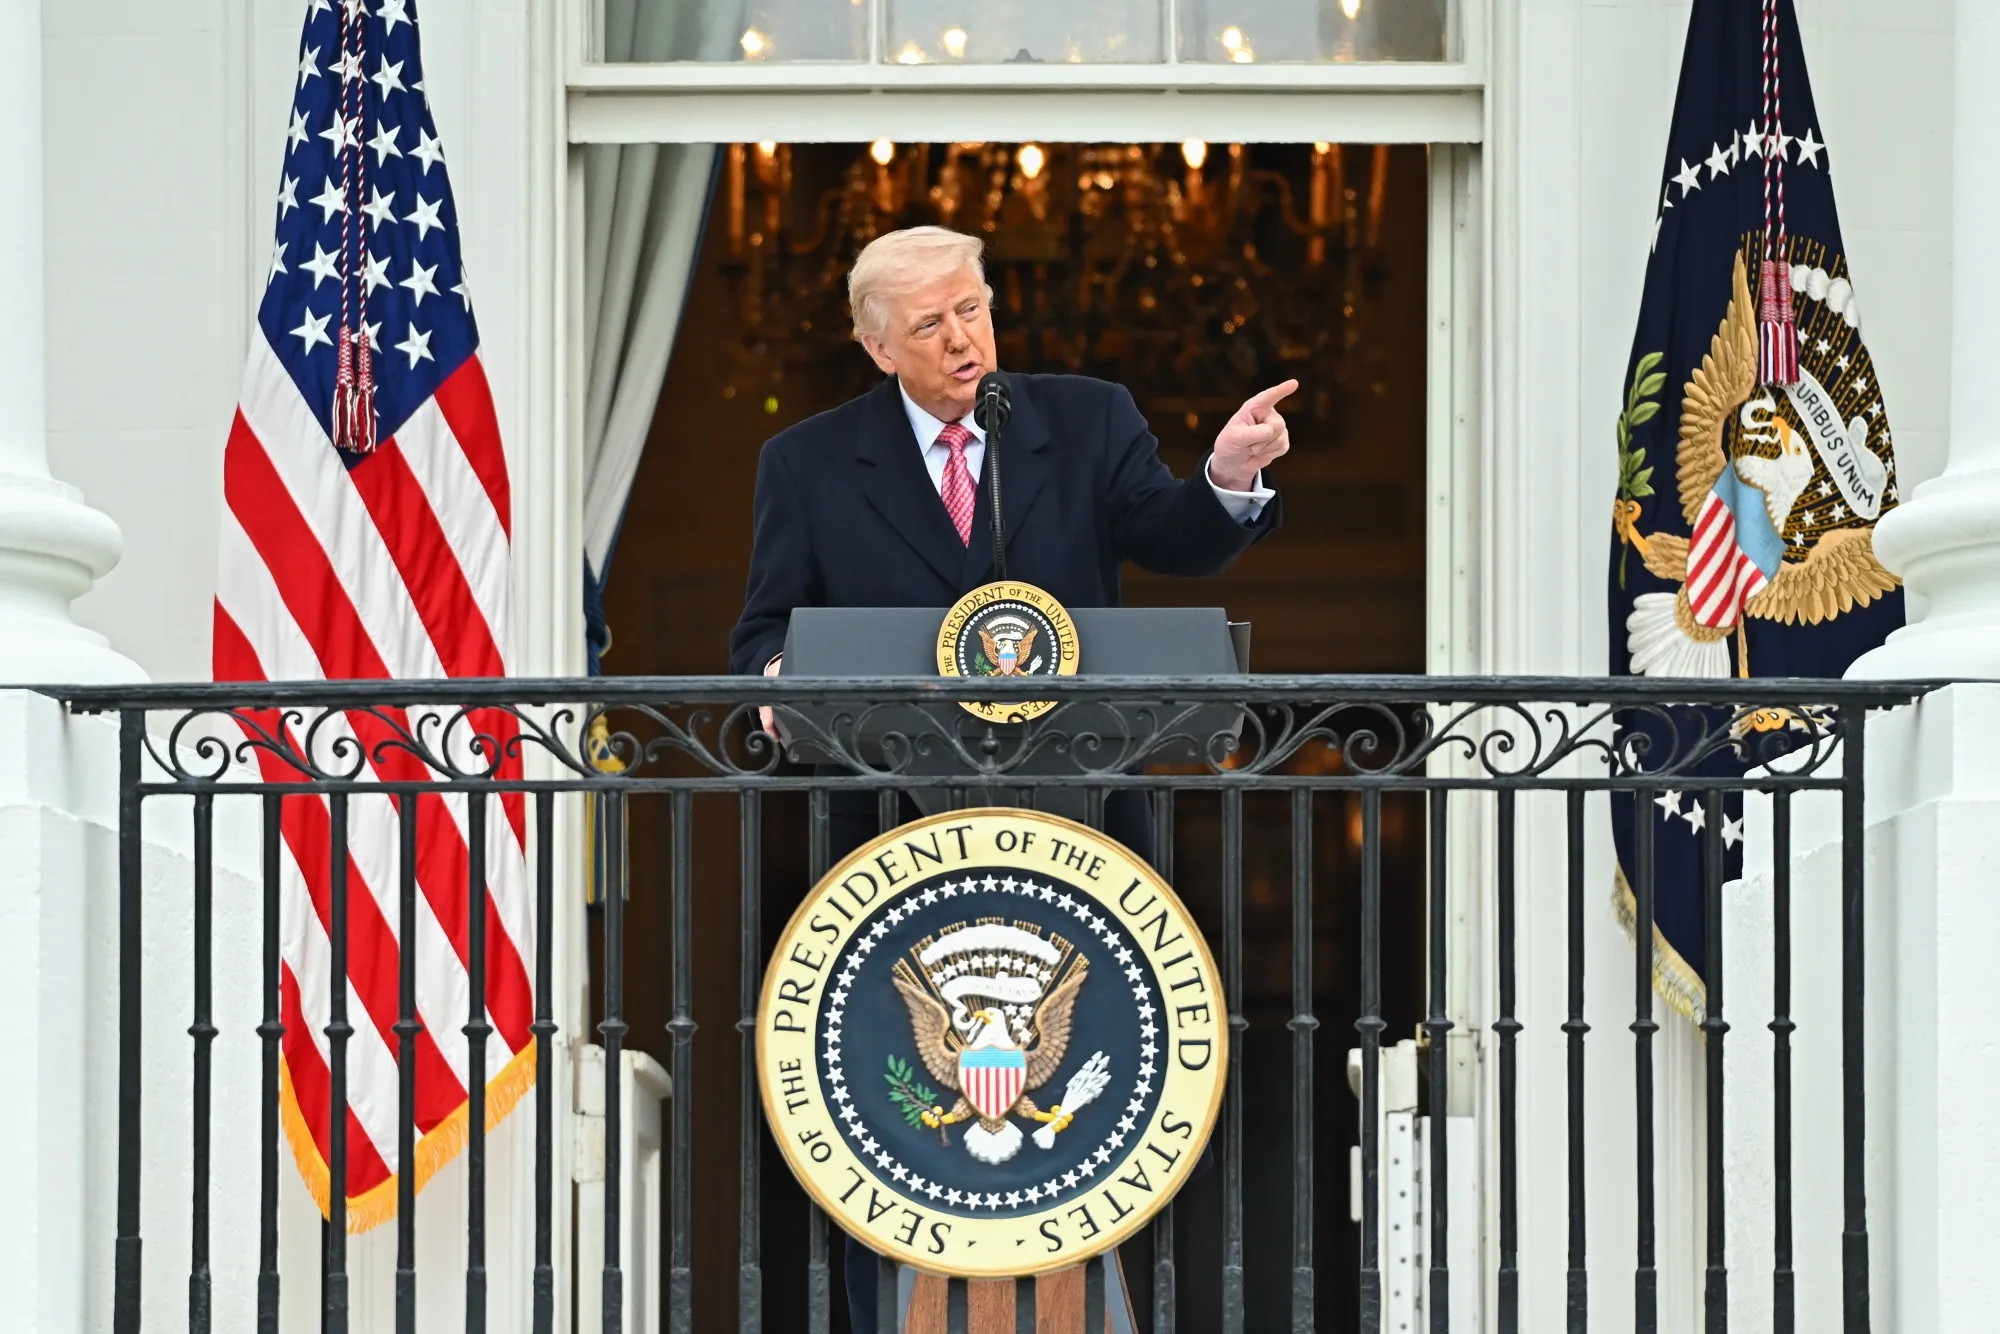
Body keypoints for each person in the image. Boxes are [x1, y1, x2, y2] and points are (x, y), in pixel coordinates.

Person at [728, 224, 1293, 1333]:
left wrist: (1225, 475)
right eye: (930, 324)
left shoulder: (1085, 419)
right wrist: (777, 678)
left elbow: (1169, 536)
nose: (962, 339)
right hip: (895, 855)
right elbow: (761, 633)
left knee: (1098, 1123)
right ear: (876, 343)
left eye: (972, 309)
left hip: (1076, 847)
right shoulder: (802, 460)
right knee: (891, 1134)